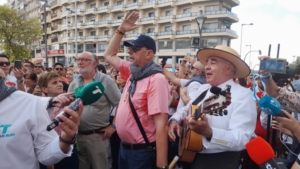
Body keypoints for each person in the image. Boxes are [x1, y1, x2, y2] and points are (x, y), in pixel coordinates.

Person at [169, 45, 256, 169]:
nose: (207, 67)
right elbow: (186, 109)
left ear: (228, 69)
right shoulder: (203, 89)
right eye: (207, 62)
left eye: (213, 62)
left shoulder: (242, 95)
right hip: (190, 154)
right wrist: (174, 120)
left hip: (219, 161)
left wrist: (210, 132)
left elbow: (242, 139)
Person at [103, 11, 169, 169]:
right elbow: (108, 55)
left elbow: (161, 125)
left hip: (141, 154)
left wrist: (161, 165)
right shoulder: (133, 71)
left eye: (135, 48)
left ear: (149, 54)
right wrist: (121, 30)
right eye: (129, 48)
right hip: (124, 149)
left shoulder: (156, 79)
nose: (129, 51)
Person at [0, 76, 83, 169]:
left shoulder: (28, 102)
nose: (60, 84)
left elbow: (45, 152)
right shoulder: (40, 101)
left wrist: (66, 139)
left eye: (59, 82)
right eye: (55, 82)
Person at [68, 51, 121, 169]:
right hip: (79, 137)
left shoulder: (105, 81)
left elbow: (120, 104)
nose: (80, 62)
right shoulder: (74, 83)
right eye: (79, 59)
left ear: (95, 63)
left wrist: (113, 126)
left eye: (85, 60)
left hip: (98, 136)